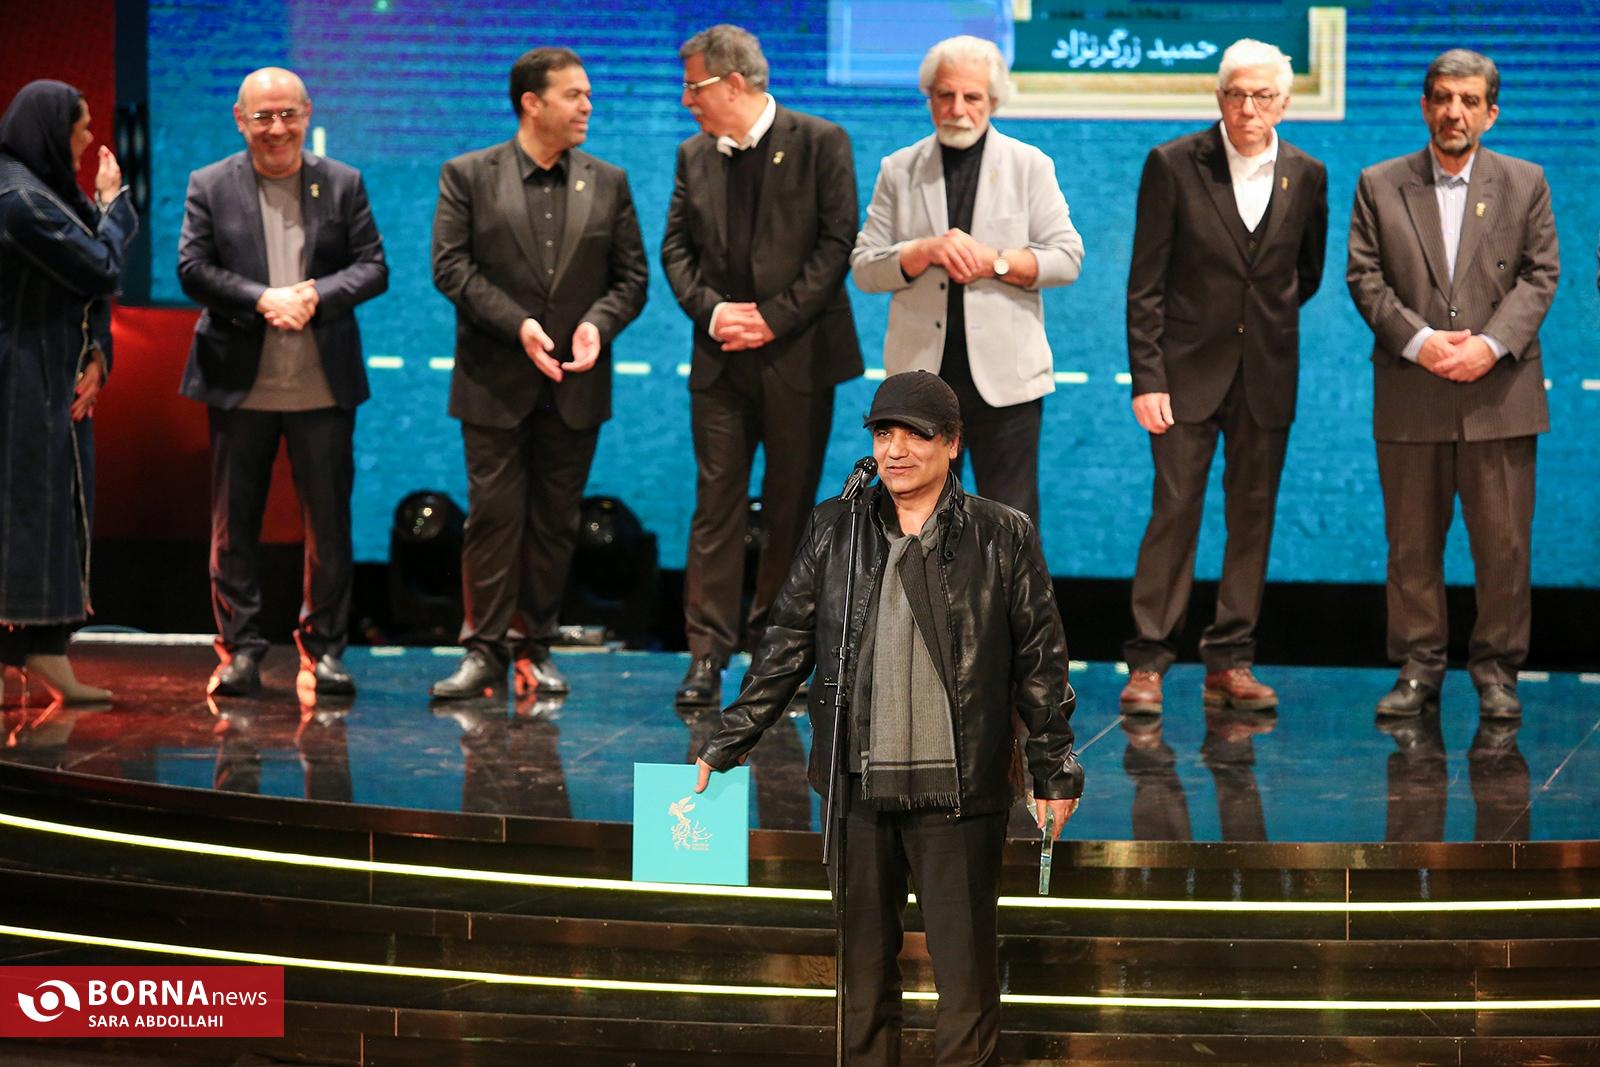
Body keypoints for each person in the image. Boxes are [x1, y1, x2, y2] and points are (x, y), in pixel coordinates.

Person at [695, 371, 1082, 1065]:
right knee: (863, 977)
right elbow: (787, 642)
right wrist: (730, 738)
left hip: (959, 790)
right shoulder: (835, 526)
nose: (895, 450)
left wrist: (1054, 769)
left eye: (914, 434)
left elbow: (1040, 662)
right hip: (856, 788)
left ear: (953, 443)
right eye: (883, 433)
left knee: (965, 978)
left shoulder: (1002, 534)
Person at [429, 47, 647, 700]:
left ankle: (535, 647)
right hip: (494, 379)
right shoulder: (469, 174)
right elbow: (451, 267)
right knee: (493, 519)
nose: (587, 106)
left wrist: (599, 324)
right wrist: (518, 324)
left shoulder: (608, 180)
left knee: (555, 522)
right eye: (574, 95)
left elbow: (631, 279)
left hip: (576, 381)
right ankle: (484, 650)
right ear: (532, 103)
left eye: (588, 95)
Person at [1119, 39, 1328, 715]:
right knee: (1174, 512)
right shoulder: (1174, 164)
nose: (1247, 107)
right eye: (1236, 94)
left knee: (1252, 518)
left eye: (1262, 95)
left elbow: (1305, 274)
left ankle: (1231, 659)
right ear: (1219, 98)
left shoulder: (1309, 174)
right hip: (1182, 377)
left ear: (1284, 104)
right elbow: (1145, 283)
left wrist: (1259, 326)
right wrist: (1148, 377)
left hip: (1266, 375)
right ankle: (1148, 661)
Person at [1347, 49, 1557, 720]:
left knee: (1504, 546)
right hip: (1413, 390)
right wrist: (1422, 342)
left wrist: (1489, 346)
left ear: (1491, 113)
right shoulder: (1380, 183)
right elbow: (1365, 277)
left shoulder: (1526, 182)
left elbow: (1541, 274)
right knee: (1411, 547)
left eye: (1468, 101)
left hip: (1500, 395)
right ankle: (1418, 668)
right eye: (1441, 98)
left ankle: (1498, 672)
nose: (1453, 112)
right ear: (1424, 106)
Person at [662, 24, 862, 705]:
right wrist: (715, 312)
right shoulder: (693, 154)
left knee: (790, 508)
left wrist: (774, 317)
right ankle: (706, 655)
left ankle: (776, 656)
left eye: (694, 86)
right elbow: (675, 249)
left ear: (733, 83)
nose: (686, 100)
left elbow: (836, 243)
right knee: (715, 506)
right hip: (721, 358)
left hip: (799, 355)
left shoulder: (821, 141)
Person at [178, 67, 388, 697]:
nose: (277, 128)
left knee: (330, 528)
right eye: (263, 116)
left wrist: (314, 296)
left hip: (322, 386)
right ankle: (239, 651)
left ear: (307, 113)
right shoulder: (210, 183)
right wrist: (263, 298)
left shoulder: (343, 182)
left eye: (288, 115)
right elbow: (192, 268)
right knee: (233, 526)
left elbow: (373, 268)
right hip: (239, 383)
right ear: (240, 120)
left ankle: (323, 651)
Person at [850, 35, 1083, 526]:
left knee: (1011, 523)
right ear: (929, 98)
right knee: (912, 522)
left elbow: (1067, 259)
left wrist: (994, 262)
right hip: (919, 384)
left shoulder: (1029, 165)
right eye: (945, 95)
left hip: (1007, 381)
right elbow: (865, 268)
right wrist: (921, 252)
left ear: (993, 100)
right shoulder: (898, 169)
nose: (957, 109)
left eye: (971, 96)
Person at [0, 80, 137, 705]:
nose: (88, 139)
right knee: (23, 510)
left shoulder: (48, 190)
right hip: (20, 378)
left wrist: (98, 354)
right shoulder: (19, 199)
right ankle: (18, 653)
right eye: (80, 128)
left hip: (53, 372)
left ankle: (43, 651)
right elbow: (101, 266)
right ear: (53, 131)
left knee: (55, 508)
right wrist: (115, 205)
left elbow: (91, 291)